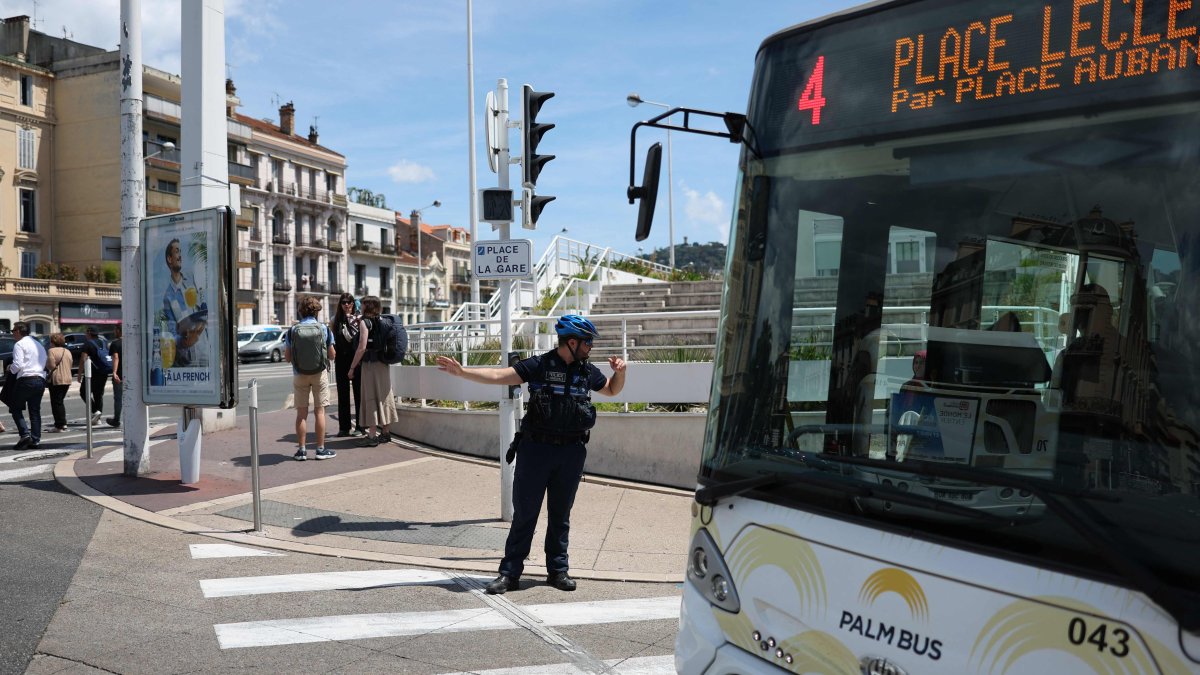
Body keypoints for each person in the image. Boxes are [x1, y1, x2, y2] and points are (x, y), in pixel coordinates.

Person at [436, 314, 627, 595]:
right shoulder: (539, 365)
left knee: (561, 514)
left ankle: (558, 571)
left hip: (572, 452)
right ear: (571, 342)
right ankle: (509, 574)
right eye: (587, 343)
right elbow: (501, 376)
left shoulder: (587, 371)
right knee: (525, 514)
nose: (590, 348)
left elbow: (612, 390)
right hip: (536, 450)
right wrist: (463, 372)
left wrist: (620, 372)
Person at [284, 296, 336, 461]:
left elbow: (287, 357)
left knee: (301, 414)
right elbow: (332, 355)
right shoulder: (324, 329)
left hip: (299, 375)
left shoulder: (292, 330)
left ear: (301, 311)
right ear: (317, 311)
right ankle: (320, 450)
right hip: (319, 373)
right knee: (319, 411)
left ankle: (301, 451)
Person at [348, 295, 398, 447]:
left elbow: (362, 347)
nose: (360, 306)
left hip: (370, 364)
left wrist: (352, 367)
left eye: (362, 304)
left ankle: (371, 436)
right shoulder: (383, 321)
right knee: (384, 395)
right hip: (383, 363)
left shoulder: (365, 322)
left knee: (370, 397)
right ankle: (386, 432)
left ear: (367, 306)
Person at [161, 237, 207, 367]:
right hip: (188, 361)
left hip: (204, 354)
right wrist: (184, 341)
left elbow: (204, 306)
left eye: (180, 251)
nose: (180, 256)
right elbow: (171, 334)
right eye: (177, 251)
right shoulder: (168, 296)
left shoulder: (192, 280)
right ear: (169, 259)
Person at [8, 322, 47, 449]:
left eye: (13, 330)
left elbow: (18, 364)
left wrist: (10, 368)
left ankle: (25, 434)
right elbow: (44, 359)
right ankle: (35, 440)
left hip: (26, 379)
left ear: (19, 331)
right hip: (40, 379)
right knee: (35, 411)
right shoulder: (38, 344)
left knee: (15, 407)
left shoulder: (19, 344)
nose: (12, 333)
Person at [330, 293, 364, 437]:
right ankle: (344, 427)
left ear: (353, 303)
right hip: (341, 360)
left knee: (359, 394)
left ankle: (361, 427)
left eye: (349, 302)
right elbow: (331, 339)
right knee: (342, 395)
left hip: (357, 360)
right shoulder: (335, 320)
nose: (346, 305)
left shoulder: (360, 319)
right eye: (343, 302)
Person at [77, 327, 110, 425]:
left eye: (86, 333)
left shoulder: (88, 344)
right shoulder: (104, 343)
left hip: (92, 373)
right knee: (98, 394)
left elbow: (83, 359)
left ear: (89, 333)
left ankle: (95, 411)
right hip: (104, 371)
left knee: (83, 392)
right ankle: (98, 418)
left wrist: (79, 374)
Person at [45, 333, 73, 432]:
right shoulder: (67, 351)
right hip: (67, 379)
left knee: (56, 402)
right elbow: (70, 364)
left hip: (56, 379)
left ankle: (59, 425)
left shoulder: (51, 351)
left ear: (53, 342)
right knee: (60, 401)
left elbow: (51, 365)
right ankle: (63, 423)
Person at [106, 324, 123, 427]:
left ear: (118, 330)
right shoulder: (132, 342)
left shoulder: (115, 344)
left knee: (118, 398)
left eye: (115, 330)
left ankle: (116, 420)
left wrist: (114, 372)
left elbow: (116, 357)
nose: (114, 332)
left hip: (120, 375)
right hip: (132, 375)